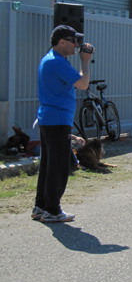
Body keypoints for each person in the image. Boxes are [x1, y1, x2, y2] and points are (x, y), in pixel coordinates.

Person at [32, 25, 94, 223]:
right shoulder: (57, 62)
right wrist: (85, 62)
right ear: (61, 42)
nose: (77, 45)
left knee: (48, 165)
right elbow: (83, 84)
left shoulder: (51, 59)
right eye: (73, 40)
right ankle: (52, 209)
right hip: (57, 120)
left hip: (49, 119)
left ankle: (40, 206)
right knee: (59, 166)